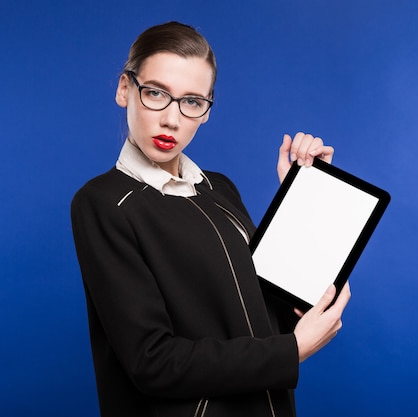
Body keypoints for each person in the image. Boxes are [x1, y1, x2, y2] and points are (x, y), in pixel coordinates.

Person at [71, 21, 351, 417]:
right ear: (124, 89)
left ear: (206, 110)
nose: (172, 119)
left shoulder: (219, 189)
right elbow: (153, 362)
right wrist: (291, 351)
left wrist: (301, 197)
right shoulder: (102, 203)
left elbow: (274, 311)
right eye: (155, 93)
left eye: (192, 102)